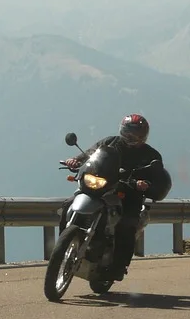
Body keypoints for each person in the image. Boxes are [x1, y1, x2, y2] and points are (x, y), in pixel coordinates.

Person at [61, 114, 171, 281]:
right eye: (127, 132)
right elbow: (91, 153)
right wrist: (75, 160)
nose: (129, 137)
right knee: (68, 204)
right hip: (104, 187)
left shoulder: (151, 155)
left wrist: (144, 184)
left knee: (127, 223)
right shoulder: (110, 142)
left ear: (143, 136)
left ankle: (119, 266)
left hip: (128, 194)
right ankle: (63, 244)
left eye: (134, 135)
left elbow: (155, 175)